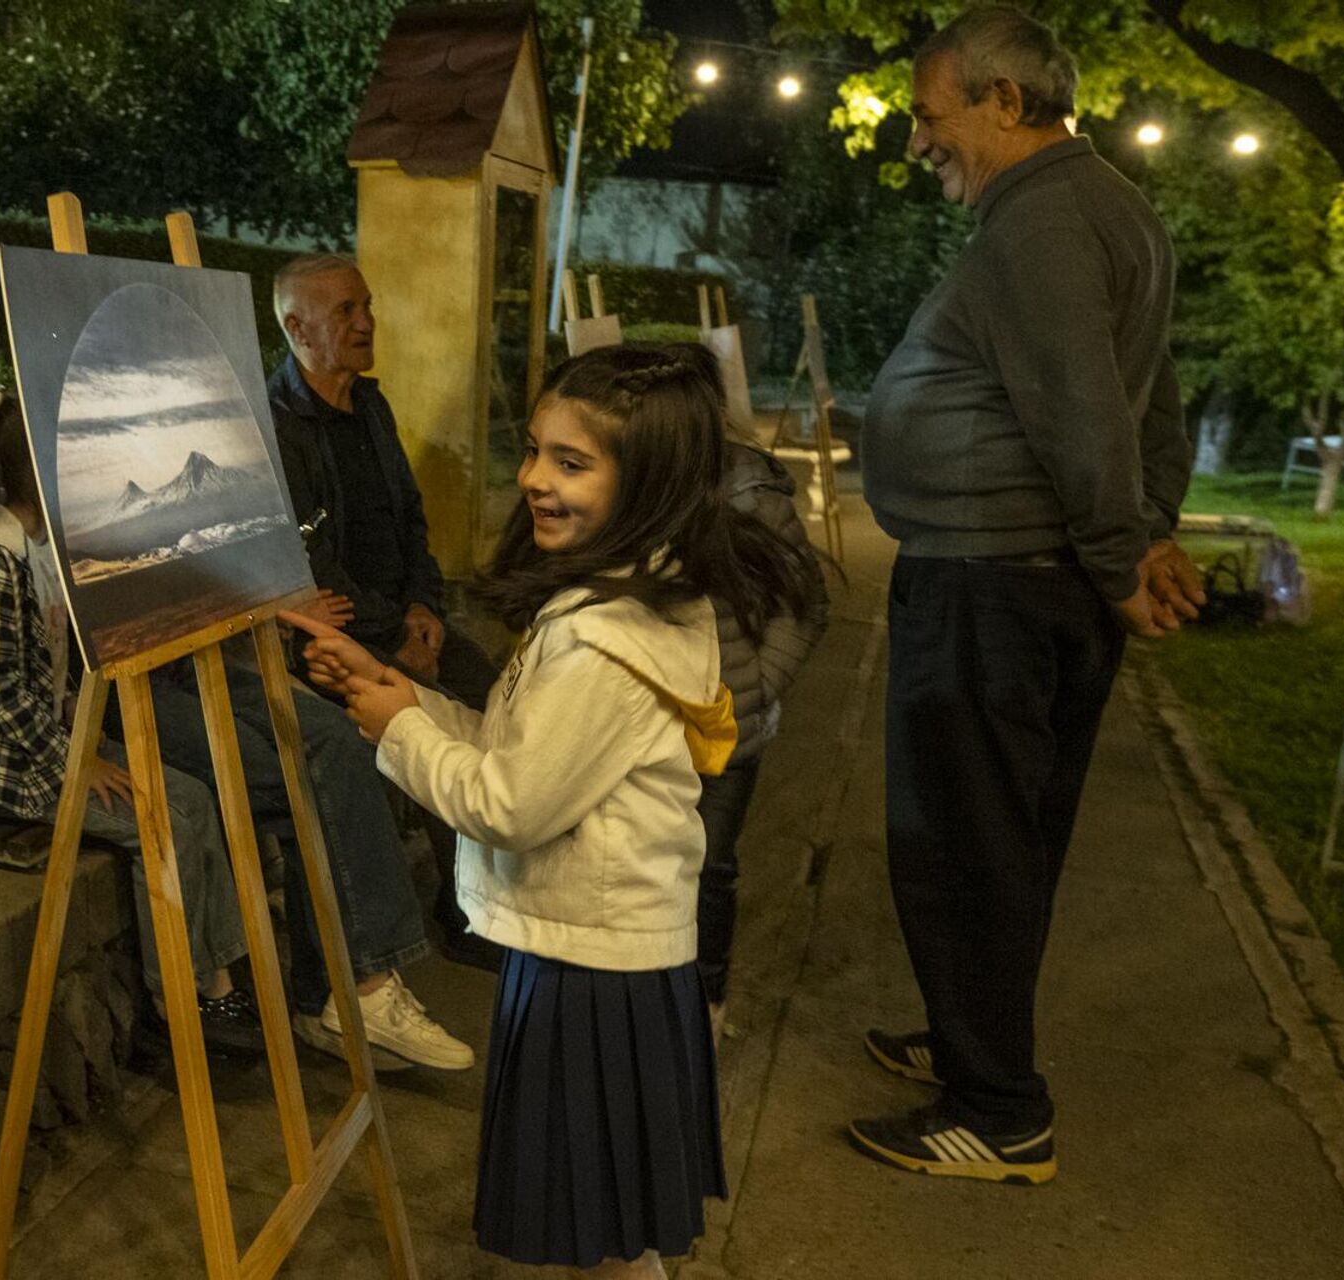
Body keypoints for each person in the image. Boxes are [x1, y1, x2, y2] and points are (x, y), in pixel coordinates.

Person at [285, 344, 814, 1279]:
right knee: (611, 1234)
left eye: (572, 464)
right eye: (534, 451)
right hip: (589, 948)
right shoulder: (614, 601)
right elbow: (514, 746)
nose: (533, 479)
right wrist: (391, 691)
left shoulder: (610, 642)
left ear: (647, 483)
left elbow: (506, 802)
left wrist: (398, 726)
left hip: (593, 967)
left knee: (599, 1236)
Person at [851, 7, 1205, 1184]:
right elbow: (1153, 398)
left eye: (929, 112)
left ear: (1004, 101)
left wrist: (1122, 558)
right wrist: (1144, 536)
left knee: (960, 843)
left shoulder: (1045, 221)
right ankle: (971, 1040)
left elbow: (1083, 413)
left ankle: (999, 1109)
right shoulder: (1108, 204)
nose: (916, 141)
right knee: (1004, 836)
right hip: (1029, 581)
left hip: (992, 588)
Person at [0, 387, 263, 1055]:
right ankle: (178, 998)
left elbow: (47, 672)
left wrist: (84, 736)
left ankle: (215, 982)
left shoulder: (35, 547)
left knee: (192, 799)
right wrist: (79, 763)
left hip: (41, 740)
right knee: (160, 822)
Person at [267, 252, 503, 967]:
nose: (368, 322)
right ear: (296, 327)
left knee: (495, 695)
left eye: (366, 305)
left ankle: (491, 893)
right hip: (336, 638)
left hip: (401, 619)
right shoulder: (277, 423)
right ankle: (467, 914)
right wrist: (395, 635)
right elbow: (313, 571)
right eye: (347, 312)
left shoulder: (370, 405)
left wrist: (426, 604)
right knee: (428, 708)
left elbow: (409, 518)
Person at [123, 658, 475, 1072]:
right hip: (122, 681)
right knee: (296, 786)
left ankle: (335, 998)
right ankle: (357, 990)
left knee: (339, 738)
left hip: (188, 658)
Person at [698, 441, 829, 1037]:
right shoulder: (606, 471)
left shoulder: (746, 488)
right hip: (632, 731)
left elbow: (802, 602)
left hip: (725, 735)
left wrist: (753, 688)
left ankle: (706, 1006)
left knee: (708, 869)